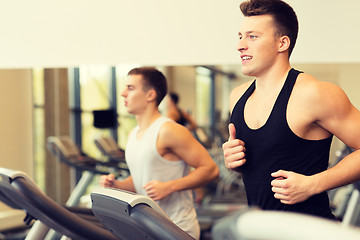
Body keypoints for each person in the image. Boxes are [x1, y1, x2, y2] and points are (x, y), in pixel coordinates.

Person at [222, 0, 360, 220]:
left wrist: (312, 184)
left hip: (310, 231)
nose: (240, 45)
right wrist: (235, 162)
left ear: (282, 43)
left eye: (253, 36)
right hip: (262, 231)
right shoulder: (237, 96)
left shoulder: (313, 93)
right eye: (240, 36)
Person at [100, 67, 219, 239]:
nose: (123, 93)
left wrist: (169, 186)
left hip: (176, 227)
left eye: (130, 88)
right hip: (147, 226)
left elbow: (210, 169)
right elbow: (142, 178)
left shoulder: (168, 130)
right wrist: (116, 186)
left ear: (150, 95)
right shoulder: (134, 134)